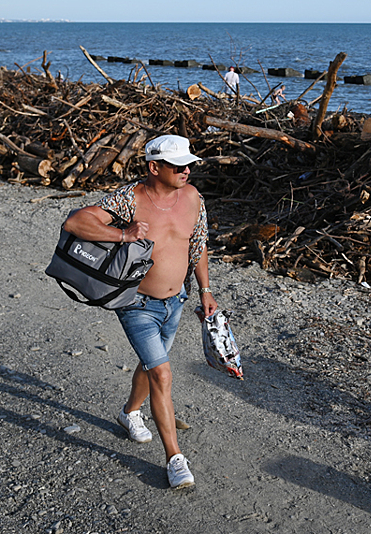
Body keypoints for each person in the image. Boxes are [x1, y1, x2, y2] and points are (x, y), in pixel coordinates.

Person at [63, 134, 218, 489]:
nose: (188, 170)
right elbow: (75, 222)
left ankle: (129, 412)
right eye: (179, 166)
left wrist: (206, 291)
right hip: (137, 304)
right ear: (154, 167)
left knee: (153, 365)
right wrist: (123, 236)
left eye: (190, 164)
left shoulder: (193, 197)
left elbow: (198, 244)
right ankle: (175, 458)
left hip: (176, 300)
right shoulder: (129, 198)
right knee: (162, 374)